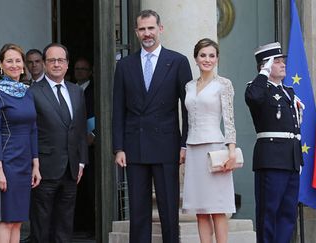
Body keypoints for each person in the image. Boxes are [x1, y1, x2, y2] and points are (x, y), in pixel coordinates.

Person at [112, 9, 192, 243]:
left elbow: (187, 108)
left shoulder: (177, 61)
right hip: (134, 145)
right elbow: (118, 109)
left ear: (160, 29)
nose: (147, 34)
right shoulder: (125, 65)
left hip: (167, 145)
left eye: (151, 28)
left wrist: (184, 144)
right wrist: (119, 147)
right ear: (136, 32)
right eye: (142, 29)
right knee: (137, 211)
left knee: (169, 209)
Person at [29, 43, 88, 243]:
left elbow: (80, 129)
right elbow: (30, 130)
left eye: (60, 60)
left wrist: (81, 162)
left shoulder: (76, 91)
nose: (56, 64)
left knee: (65, 224)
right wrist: (33, 163)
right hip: (44, 169)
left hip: (71, 169)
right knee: (42, 224)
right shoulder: (34, 91)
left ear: (67, 64)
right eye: (52, 60)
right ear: (45, 64)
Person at [245, 42, 303, 243]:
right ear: (265, 66)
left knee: (287, 215)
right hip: (271, 160)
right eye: (276, 62)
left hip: (291, 159)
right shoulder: (258, 89)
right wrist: (263, 73)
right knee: (269, 212)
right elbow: (254, 98)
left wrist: (298, 160)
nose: (282, 64)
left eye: (282, 61)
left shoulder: (288, 91)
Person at [181, 38, 236, 243]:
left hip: (215, 150)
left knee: (217, 207)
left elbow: (230, 121)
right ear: (196, 58)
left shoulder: (224, 84)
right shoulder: (188, 86)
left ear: (217, 59)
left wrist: (231, 151)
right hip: (193, 150)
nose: (207, 59)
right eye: (203, 55)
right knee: (200, 209)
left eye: (211, 55)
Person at [0, 43, 41, 243]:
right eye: (9, 61)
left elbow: (33, 128)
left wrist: (36, 164)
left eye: (18, 61)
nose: (15, 65)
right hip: (6, 161)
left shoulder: (26, 92)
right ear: (1, 65)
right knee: (5, 220)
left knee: (17, 221)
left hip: (25, 162)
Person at [73, 57, 95, 236]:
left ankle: (91, 226)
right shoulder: (70, 88)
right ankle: (78, 226)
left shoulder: (96, 90)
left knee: (91, 186)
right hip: (72, 145)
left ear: (90, 72)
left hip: (92, 146)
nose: (79, 72)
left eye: (83, 69)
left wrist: (94, 135)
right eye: (77, 69)